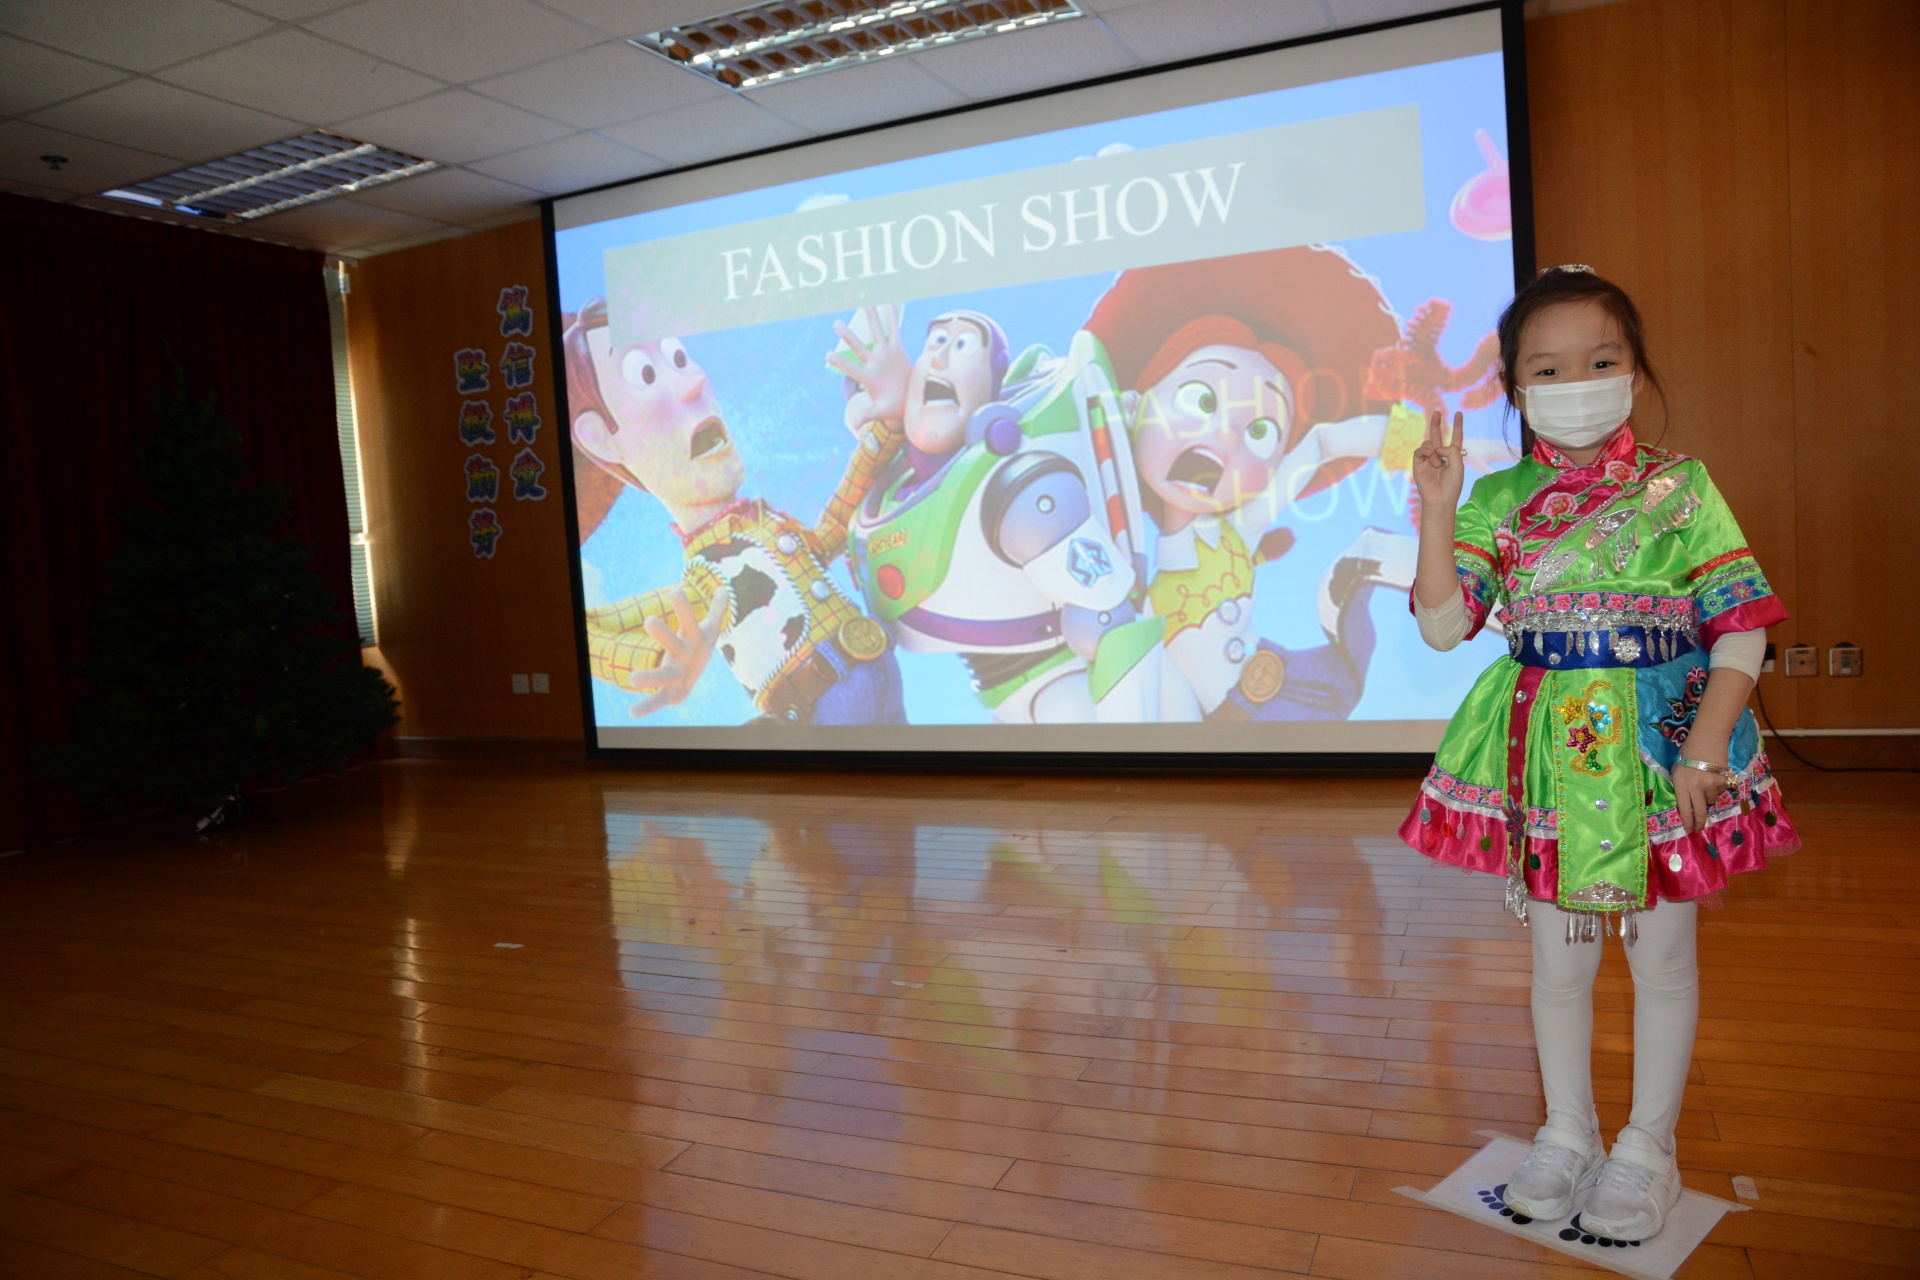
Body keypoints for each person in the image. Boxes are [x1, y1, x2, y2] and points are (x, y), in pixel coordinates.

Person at [1401, 265, 1800, 1242]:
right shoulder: (1499, 495)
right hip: (1547, 753)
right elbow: (1445, 628)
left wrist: (1704, 750)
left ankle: (1649, 1147)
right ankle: (1567, 1132)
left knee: (1662, 958)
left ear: (1635, 370)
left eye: (1600, 360)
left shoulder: (1682, 488)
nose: (1576, 382)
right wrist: (1440, 508)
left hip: (1663, 752)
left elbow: (1740, 629)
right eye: (1548, 367)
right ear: (1515, 384)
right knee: (1558, 961)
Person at [562, 298, 906, 726]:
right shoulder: (708, 581)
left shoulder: (766, 524)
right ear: (600, 438)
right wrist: (653, 658)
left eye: (679, 358)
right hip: (822, 705)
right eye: (645, 374)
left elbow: (832, 528)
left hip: (880, 673)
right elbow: (583, 626)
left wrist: (886, 427)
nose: (694, 381)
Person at [835, 305, 1163, 723]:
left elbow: (1107, 614)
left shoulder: (1020, 485)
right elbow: (919, 448)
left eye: (963, 346)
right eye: (936, 342)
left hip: (1068, 688)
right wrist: (887, 410)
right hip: (1000, 698)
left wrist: (1134, 747)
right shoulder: (901, 487)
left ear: (992, 386)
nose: (941, 357)